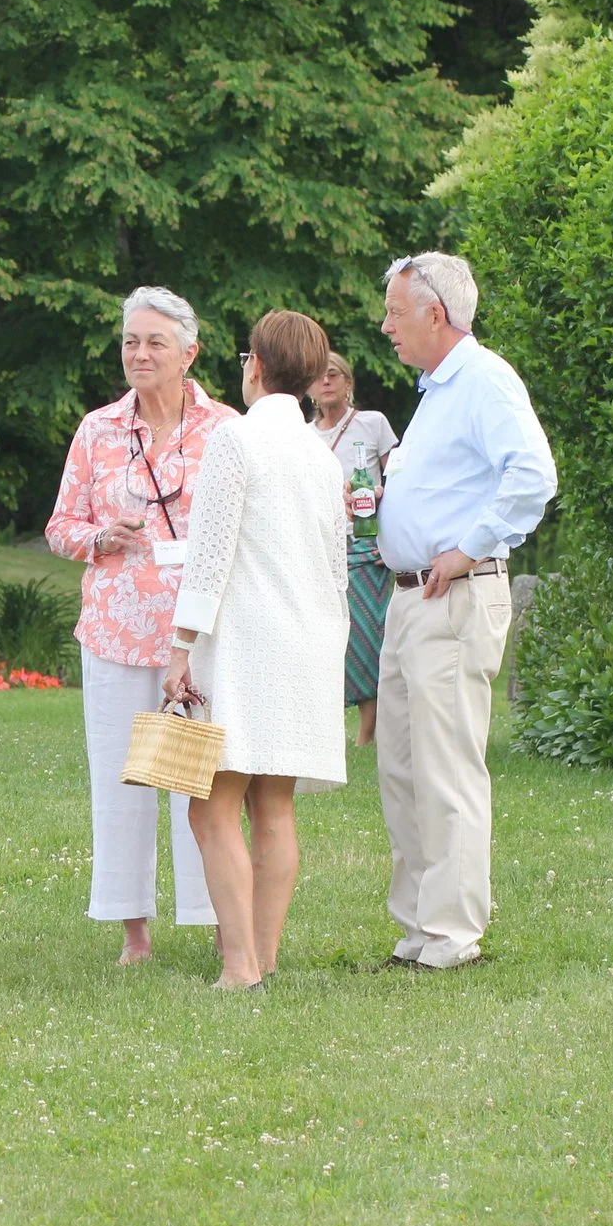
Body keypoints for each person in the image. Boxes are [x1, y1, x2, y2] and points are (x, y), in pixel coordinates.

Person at [374, 251, 557, 971]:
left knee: (446, 767)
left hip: (452, 592)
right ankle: (420, 926)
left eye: (394, 311)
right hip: (410, 597)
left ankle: (452, 935)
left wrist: (468, 546)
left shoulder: (483, 379)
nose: (385, 325)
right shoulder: (436, 391)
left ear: (435, 313)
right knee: (403, 768)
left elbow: (533, 474)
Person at [158, 310, 349, 990]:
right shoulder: (321, 457)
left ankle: (240, 964)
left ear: (257, 366)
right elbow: (337, 569)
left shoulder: (235, 441)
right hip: (308, 642)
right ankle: (261, 957)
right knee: (273, 805)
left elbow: (209, 556)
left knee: (211, 805)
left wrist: (180, 648)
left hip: (242, 642)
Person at [44, 287, 235, 966]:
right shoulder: (98, 429)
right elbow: (59, 526)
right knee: (124, 781)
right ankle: (134, 934)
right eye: (130, 340)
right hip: (117, 631)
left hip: (199, 634)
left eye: (155, 341)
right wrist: (101, 535)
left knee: (200, 781)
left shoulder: (225, 429)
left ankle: (220, 920)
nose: (140, 353)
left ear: (190, 350)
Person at [311, 351, 399, 748]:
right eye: (319, 377)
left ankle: (368, 734)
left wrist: (393, 538)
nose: (326, 382)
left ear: (348, 383)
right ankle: (322, 730)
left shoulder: (373, 424)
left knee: (368, 635)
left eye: (334, 375)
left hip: (365, 544)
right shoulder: (304, 435)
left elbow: (399, 481)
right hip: (320, 547)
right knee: (326, 638)